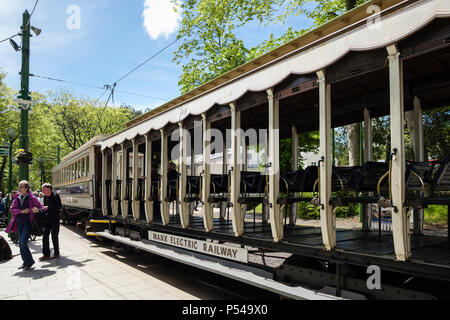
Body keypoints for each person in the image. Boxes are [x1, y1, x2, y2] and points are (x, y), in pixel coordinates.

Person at [5, 180, 43, 270]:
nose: (19, 188)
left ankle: (30, 261)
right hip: (19, 223)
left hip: (28, 223)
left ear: (26, 188)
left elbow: (40, 207)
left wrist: (34, 209)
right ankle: (25, 262)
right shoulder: (16, 197)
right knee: (21, 243)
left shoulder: (32, 198)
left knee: (22, 242)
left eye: (21, 187)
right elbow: (12, 209)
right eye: (19, 186)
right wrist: (21, 211)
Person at [39, 183, 62, 261]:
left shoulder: (56, 196)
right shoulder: (45, 197)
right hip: (47, 219)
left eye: (43, 189)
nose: (42, 191)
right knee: (45, 236)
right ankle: (46, 254)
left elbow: (58, 207)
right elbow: (45, 208)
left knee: (54, 236)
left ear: (49, 189)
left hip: (55, 219)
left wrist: (48, 207)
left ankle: (56, 253)